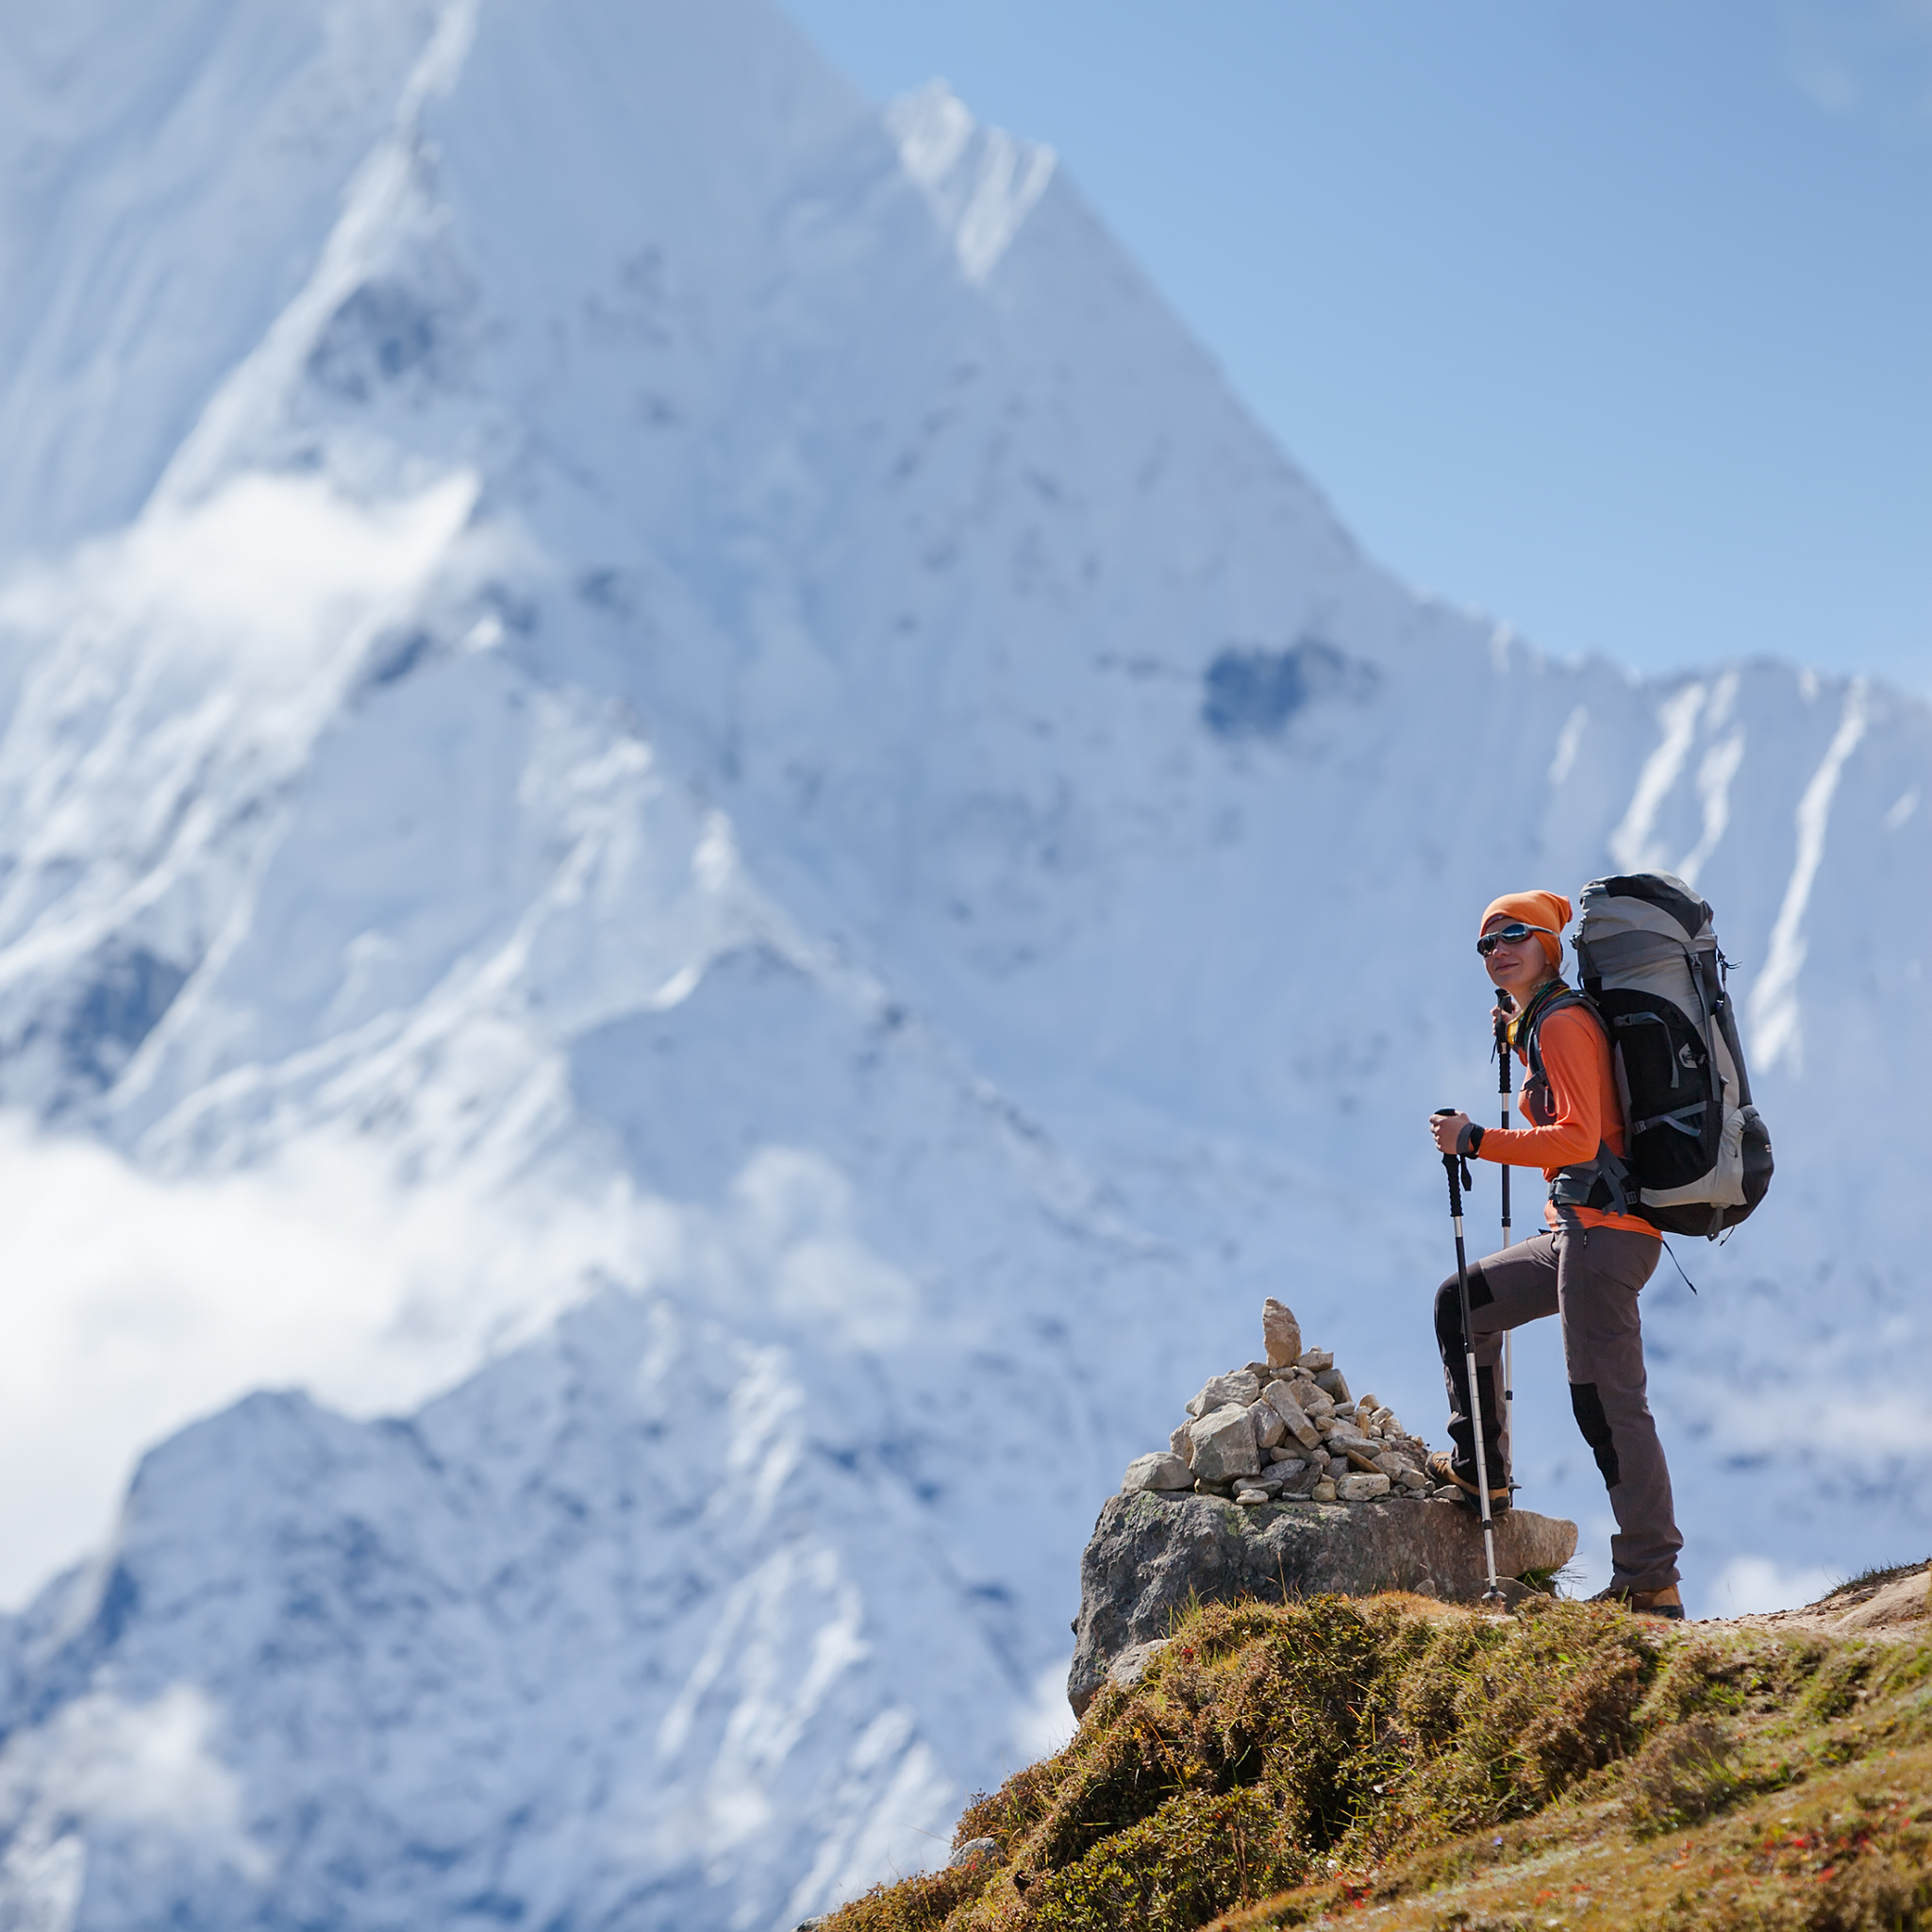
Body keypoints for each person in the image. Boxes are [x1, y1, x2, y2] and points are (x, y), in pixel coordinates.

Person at [1425, 890, 1685, 1620]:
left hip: (1605, 1234)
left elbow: (1577, 1137)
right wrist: (1514, 1030)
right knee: (1463, 1303)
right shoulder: (1543, 1021)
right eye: (1487, 944)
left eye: (1514, 937)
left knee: (1607, 1403)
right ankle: (1486, 1477)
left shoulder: (1566, 1021)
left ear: (1549, 946)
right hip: (1577, 1229)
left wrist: (1476, 1141)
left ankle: (1651, 1580)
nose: (1498, 950)